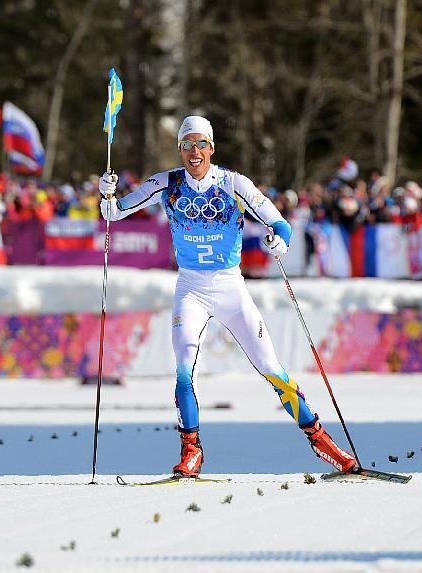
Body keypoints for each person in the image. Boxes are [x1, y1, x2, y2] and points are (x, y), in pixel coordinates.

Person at [99, 115, 357, 477]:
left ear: (212, 148)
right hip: (190, 288)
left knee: (271, 368)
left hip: (229, 286)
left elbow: (277, 220)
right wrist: (106, 191)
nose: (194, 152)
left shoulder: (233, 183)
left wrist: (279, 239)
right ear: (180, 149)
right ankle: (192, 451)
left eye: (201, 144)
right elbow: (113, 212)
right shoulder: (166, 183)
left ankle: (322, 442)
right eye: (187, 145)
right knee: (184, 370)